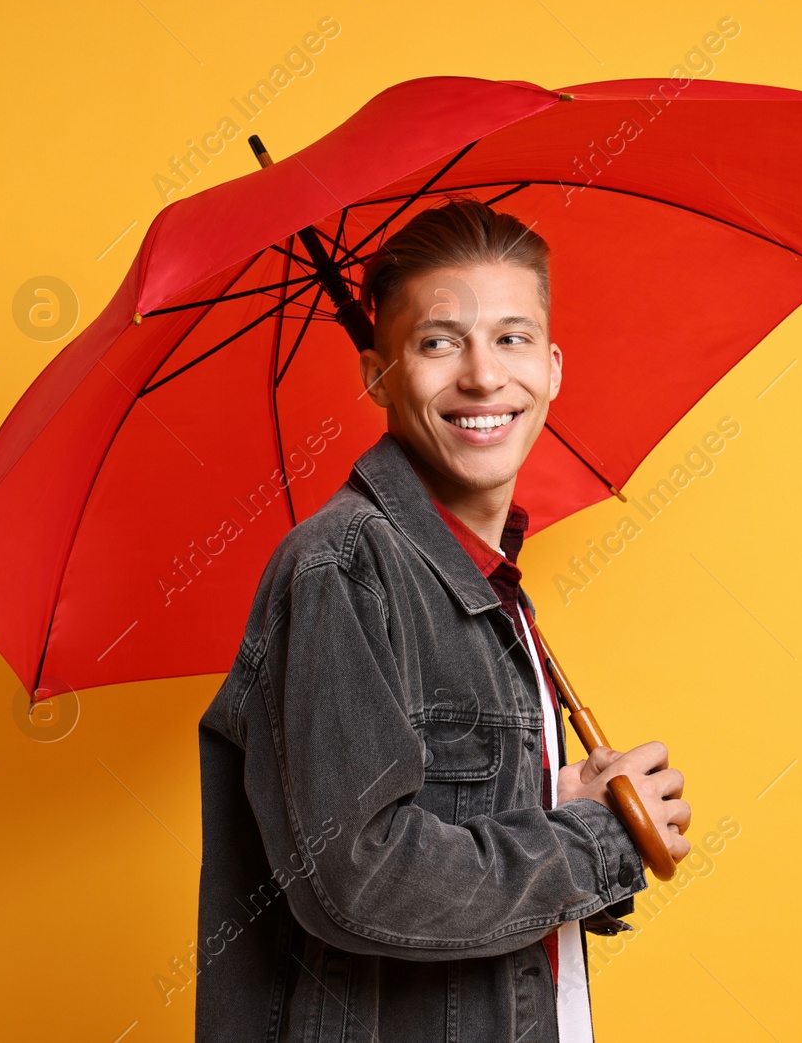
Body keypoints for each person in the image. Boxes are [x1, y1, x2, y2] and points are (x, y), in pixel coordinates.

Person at [194, 198, 692, 1043]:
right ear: (376, 373)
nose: (484, 377)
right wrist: (595, 839)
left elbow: (464, 858)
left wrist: (557, 798)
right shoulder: (346, 568)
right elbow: (356, 877)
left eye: (511, 337)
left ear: (553, 364)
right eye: (437, 342)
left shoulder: (490, 581)